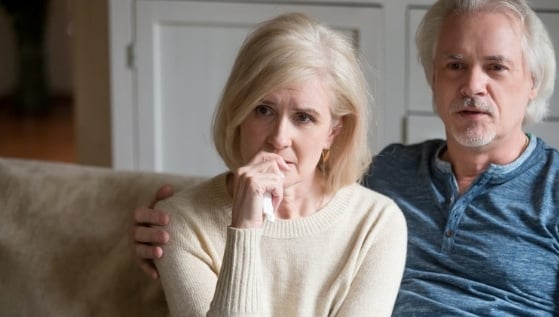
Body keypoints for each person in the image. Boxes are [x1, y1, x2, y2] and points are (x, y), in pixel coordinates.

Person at [132, 0, 559, 315]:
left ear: (533, 82)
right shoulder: (388, 172)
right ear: (433, 78)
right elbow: (292, 187)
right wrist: (169, 224)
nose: (473, 85)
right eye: (454, 65)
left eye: (496, 67)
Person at [133, 12, 408, 317]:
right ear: (239, 113)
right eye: (263, 110)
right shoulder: (181, 223)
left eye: (303, 117)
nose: (279, 138)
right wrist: (244, 230)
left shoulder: (376, 223)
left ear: (333, 131)